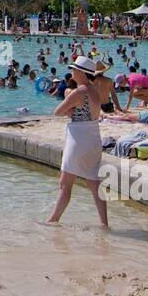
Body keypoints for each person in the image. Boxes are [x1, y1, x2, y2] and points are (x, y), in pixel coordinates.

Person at [48, 56, 108, 227]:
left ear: (81, 72)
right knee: (94, 183)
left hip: (78, 139)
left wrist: (70, 109)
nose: (71, 71)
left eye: (73, 69)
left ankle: (53, 221)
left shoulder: (80, 92)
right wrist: (73, 110)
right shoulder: (95, 89)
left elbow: (57, 112)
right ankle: (104, 223)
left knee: (65, 184)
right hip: (94, 138)